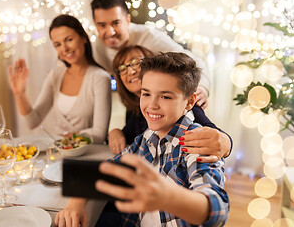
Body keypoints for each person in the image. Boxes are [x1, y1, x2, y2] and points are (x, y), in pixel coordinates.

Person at [55, 52, 229, 227]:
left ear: (190, 102)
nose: (152, 105)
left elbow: (217, 209)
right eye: (146, 94)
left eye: (165, 96)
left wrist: (169, 197)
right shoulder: (147, 138)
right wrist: (76, 201)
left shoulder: (197, 142)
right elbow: (109, 169)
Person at [108, 45, 232, 163]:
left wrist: (226, 143)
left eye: (135, 63)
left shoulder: (183, 107)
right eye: (122, 68)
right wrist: (115, 132)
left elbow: (216, 136)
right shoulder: (137, 109)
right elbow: (130, 139)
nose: (131, 71)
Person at [91, 0, 209, 108]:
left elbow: (194, 62)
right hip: (133, 106)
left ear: (128, 19)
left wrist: (202, 89)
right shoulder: (97, 49)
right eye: (102, 25)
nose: (110, 32)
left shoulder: (150, 37)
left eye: (116, 23)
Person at [9, 15, 111, 144]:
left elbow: (99, 133)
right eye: (57, 44)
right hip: (60, 153)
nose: (64, 49)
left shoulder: (100, 78)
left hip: (89, 156)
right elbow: (32, 122)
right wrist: (20, 94)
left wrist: (63, 138)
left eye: (69, 40)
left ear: (83, 38)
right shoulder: (55, 75)